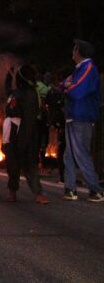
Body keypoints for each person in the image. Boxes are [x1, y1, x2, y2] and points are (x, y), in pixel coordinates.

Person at [61, 40, 103, 202]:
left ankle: (95, 190)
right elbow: (65, 83)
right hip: (74, 116)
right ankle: (70, 189)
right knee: (69, 154)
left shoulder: (88, 68)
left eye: (74, 48)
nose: (72, 51)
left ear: (78, 51)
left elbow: (75, 91)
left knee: (80, 153)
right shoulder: (80, 69)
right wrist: (66, 85)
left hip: (81, 116)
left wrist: (66, 87)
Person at [4, 65, 49, 204]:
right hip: (13, 133)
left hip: (26, 133)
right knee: (12, 164)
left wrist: (22, 142)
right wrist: (8, 76)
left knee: (30, 164)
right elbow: (8, 91)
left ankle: (38, 193)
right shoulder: (18, 92)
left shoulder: (30, 94)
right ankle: (12, 192)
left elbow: (29, 119)